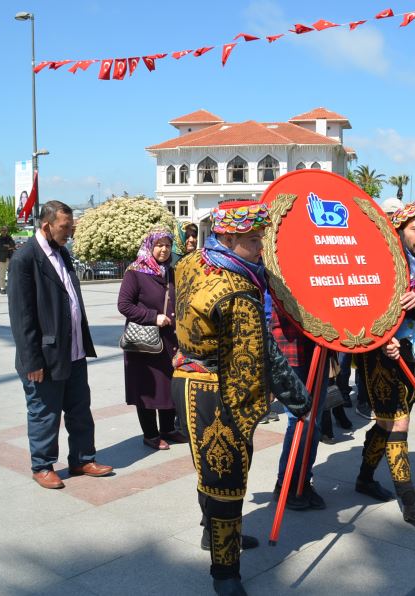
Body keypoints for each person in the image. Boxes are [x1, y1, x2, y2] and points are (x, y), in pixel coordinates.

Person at [171, 200, 310, 595]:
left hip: (185, 377)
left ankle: (211, 536)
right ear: (228, 237)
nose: (261, 246)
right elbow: (259, 353)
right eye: (253, 239)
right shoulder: (238, 287)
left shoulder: (192, 262)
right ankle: (225, 574)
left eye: (262, 236)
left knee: (209, 470)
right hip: (217, 389)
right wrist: (298, 399)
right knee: (227, 479)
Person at [8, 200, 113, 490]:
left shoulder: (63, 252)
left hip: (74, 350)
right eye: (65, 227)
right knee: (45, 412)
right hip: (45, 356)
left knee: (80, 409)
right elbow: (22, 316)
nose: (70, 233)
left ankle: (82, 458)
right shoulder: (25, 259)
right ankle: (42, 465)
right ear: (47, 226)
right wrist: (32, 362)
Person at [355, 202, 415, 523]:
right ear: (400, 230)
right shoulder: (380, 265)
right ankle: (408, 500)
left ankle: (365, 477)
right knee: (398, 420)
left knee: (386, 421)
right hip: (381, 351)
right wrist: (382, 337)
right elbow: (359, 305)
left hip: (414, 351)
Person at [117, 226, 186, 451]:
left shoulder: (172, 272)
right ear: (150, 246)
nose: (164, 250)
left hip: (169, 341)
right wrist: (152, 317)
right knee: (147, 387)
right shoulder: (135, 272)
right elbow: (124, 305)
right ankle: (150, 434)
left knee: (168, 385)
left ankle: (167, 429)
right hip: (144, 343)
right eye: (159, 245)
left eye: (167, 245)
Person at [270, 303, 327, 511]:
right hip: (291, 343)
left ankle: (303, 480)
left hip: (319, 344)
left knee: (315, 422)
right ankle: (286, 483)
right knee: (299, 420)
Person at [0, 226, 16, 295]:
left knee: (12, 274)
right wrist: (9, 247)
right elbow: (1, 247)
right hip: (2, 259)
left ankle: (11, 287)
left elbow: (13, 245)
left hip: (10, 258)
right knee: (2, 275)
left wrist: (7, 246)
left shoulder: (9, 238)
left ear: (7, 231)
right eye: (2, 230)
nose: (4, 231)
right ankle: (2, 288)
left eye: (5, 230)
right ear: (0, 231)